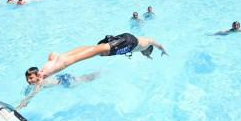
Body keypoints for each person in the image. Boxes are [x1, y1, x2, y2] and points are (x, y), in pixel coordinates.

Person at [36, 33, 167, 79]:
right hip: (130, 42)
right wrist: (162, 50)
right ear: (148, 50)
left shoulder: (146, 42)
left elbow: (156, 45)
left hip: (127, 37)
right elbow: (157, 44)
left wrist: (158, 51)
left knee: (97, 49)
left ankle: (63, 55)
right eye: (147, 53)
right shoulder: (147, 44)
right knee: (100, 51)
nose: (145, 54)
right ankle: (66, 61)